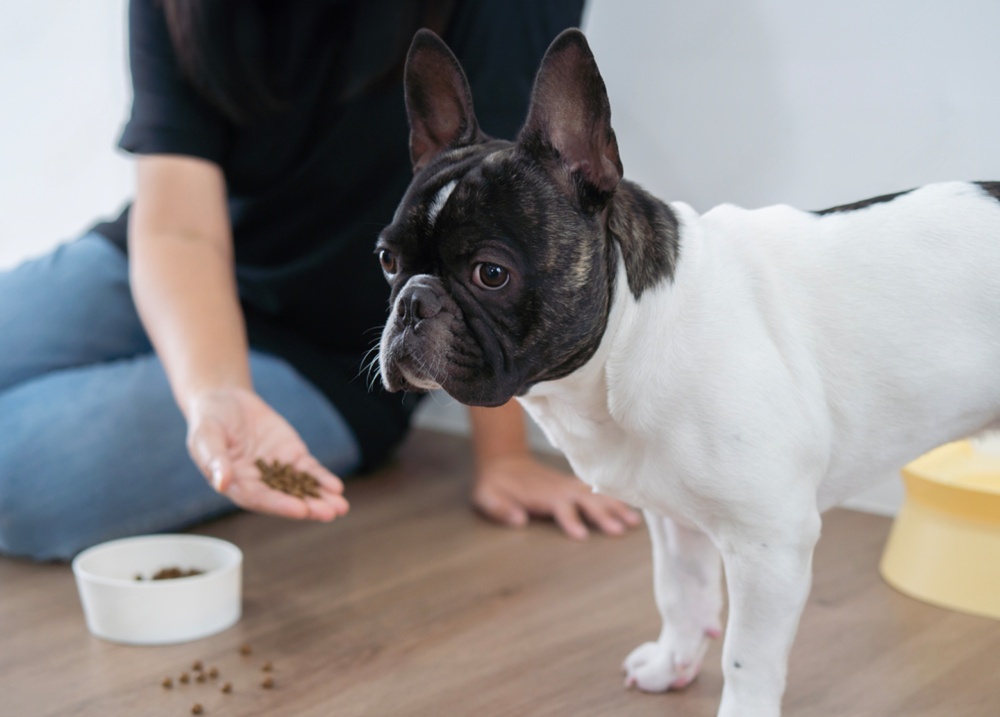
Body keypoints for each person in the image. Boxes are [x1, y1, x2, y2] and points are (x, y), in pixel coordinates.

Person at [0, 0, 640, 562]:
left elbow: (510, 215)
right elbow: (178, 227)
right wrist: (211, 389)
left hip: (329, 350)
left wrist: (505, 456)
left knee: (21, 475)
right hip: (168, 262)